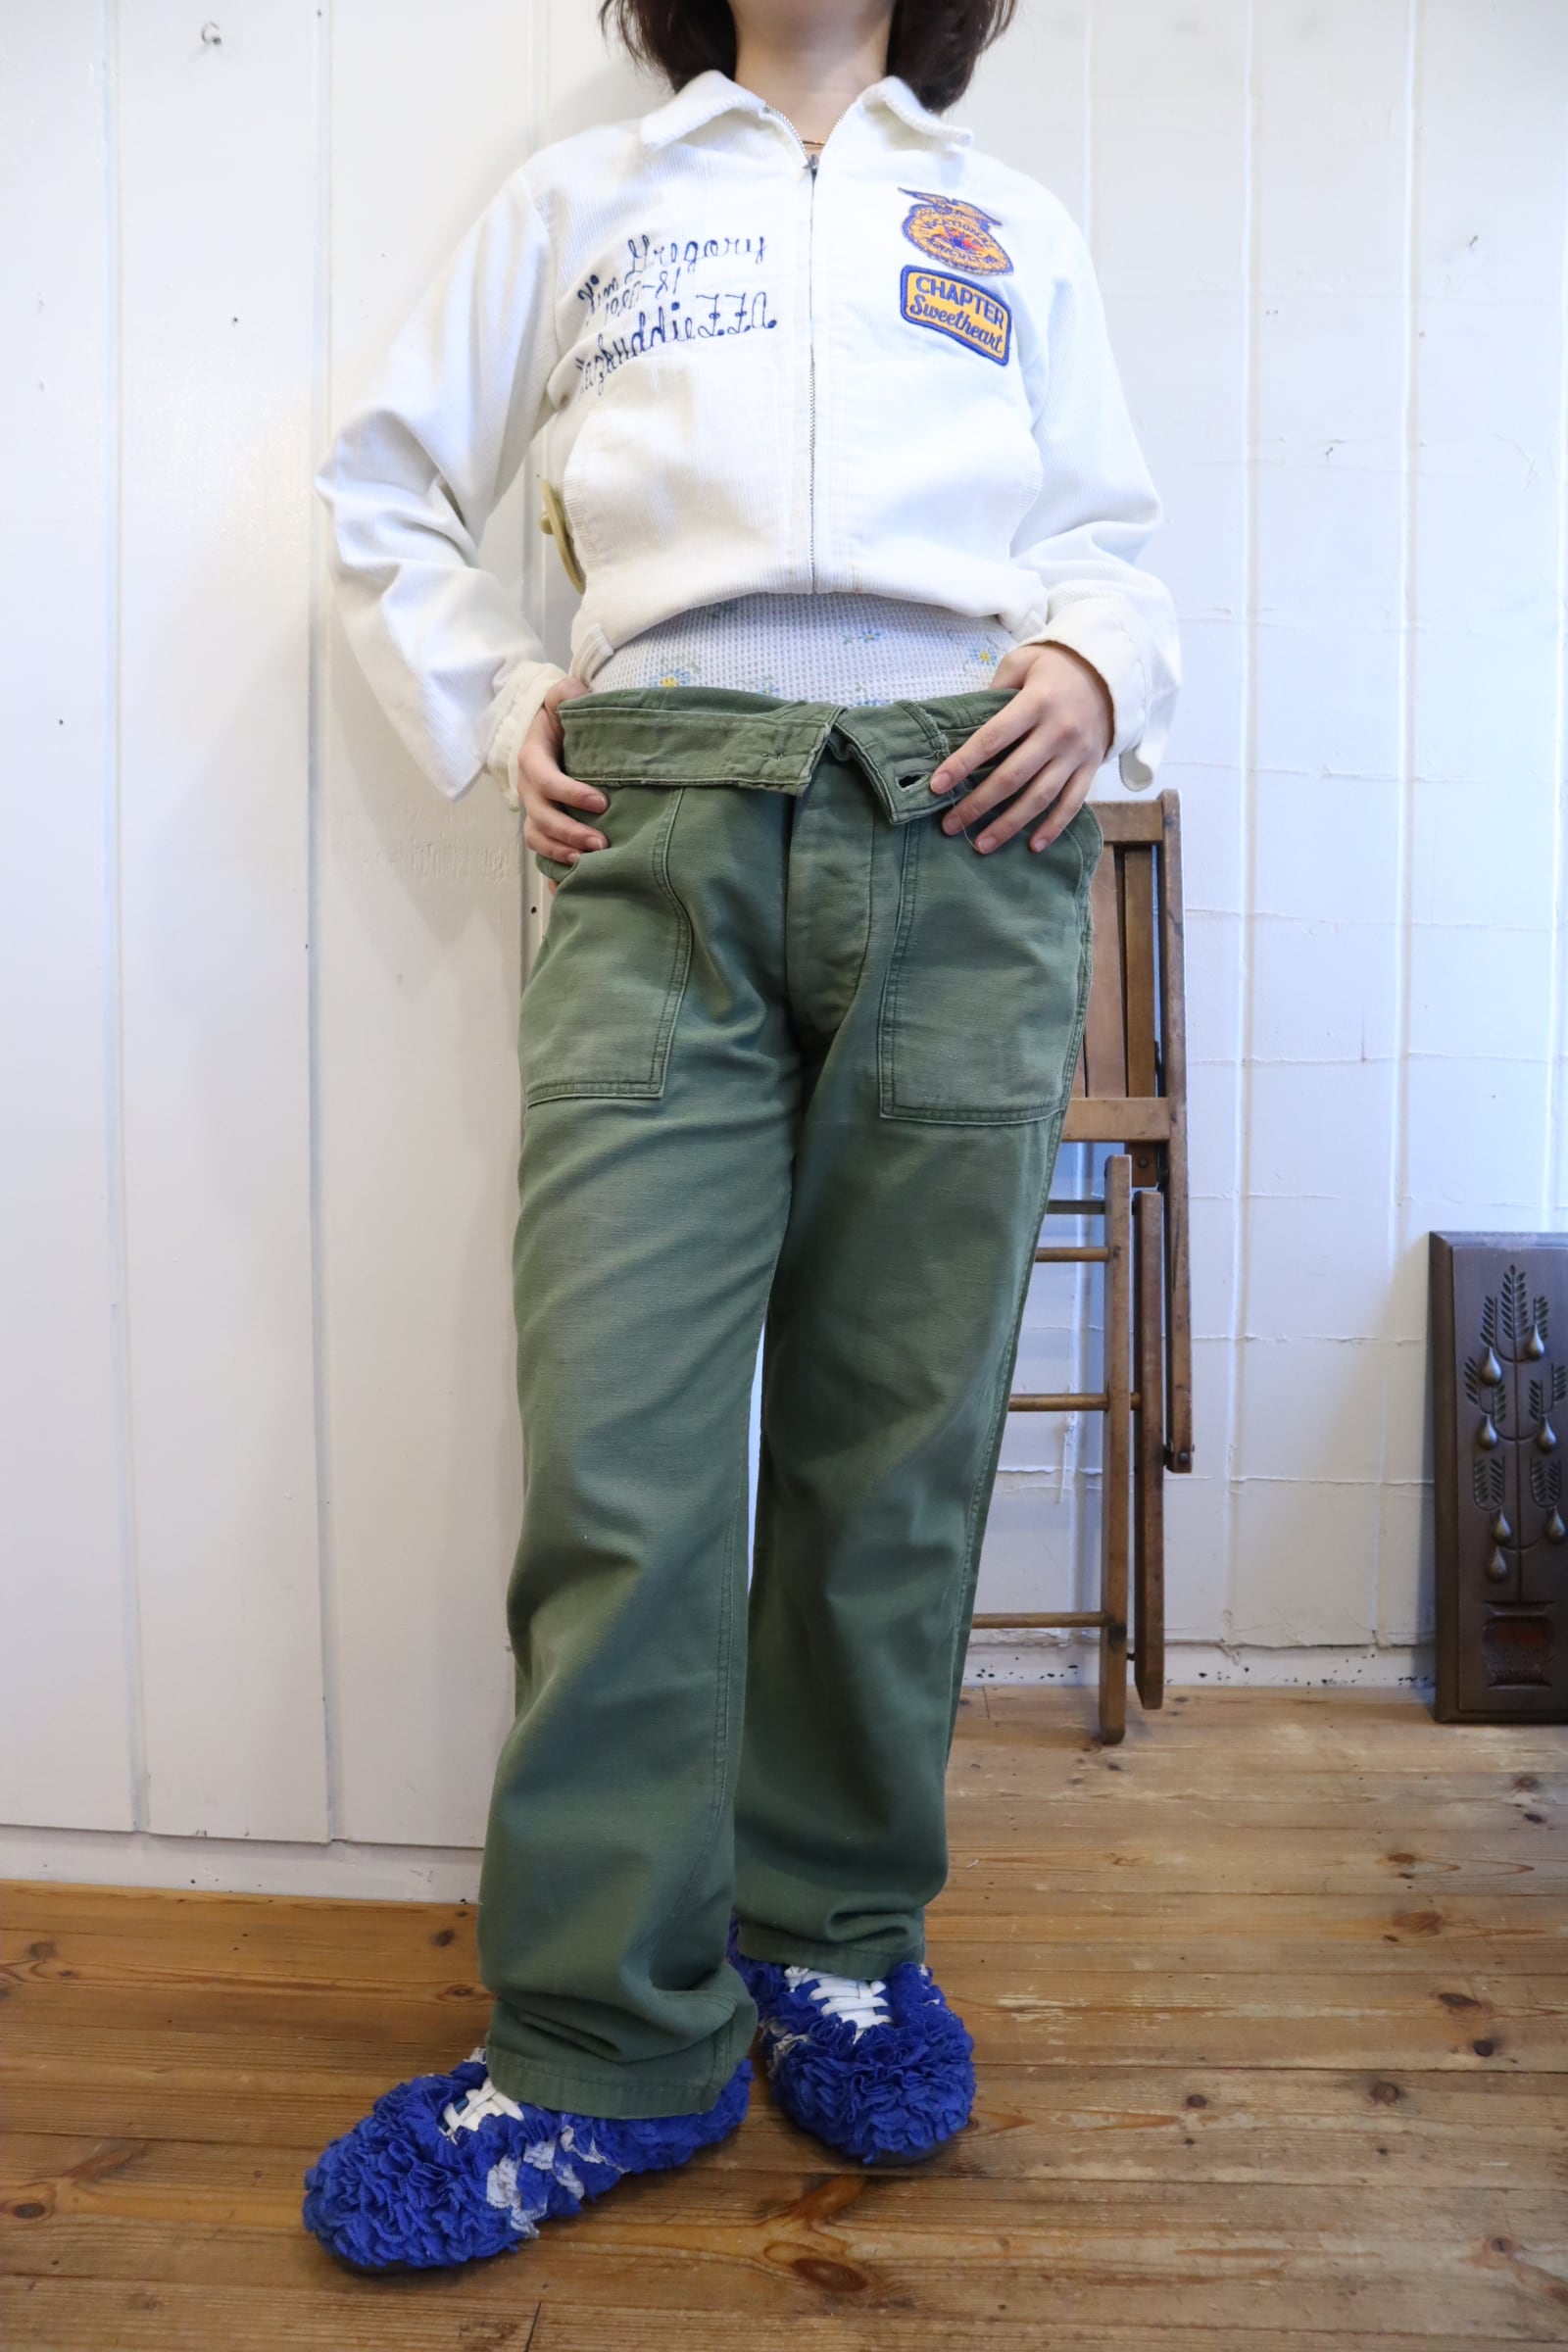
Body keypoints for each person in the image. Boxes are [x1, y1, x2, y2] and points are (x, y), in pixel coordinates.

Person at [303, 0, 1180, 2273]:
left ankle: (832, 1933)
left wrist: (1094, 665)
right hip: (655, 838)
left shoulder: (999, 219)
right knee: (621, 1460)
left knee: (898, 1452)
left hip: (961, 834)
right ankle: (605, 2038)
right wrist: (499, 693)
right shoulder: (583, 200)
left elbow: (1108, 536)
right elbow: (381, 487)